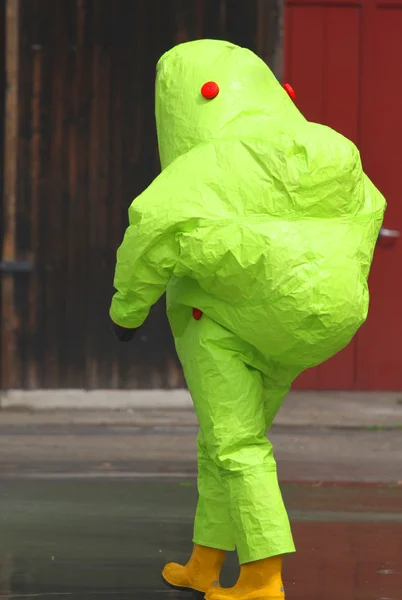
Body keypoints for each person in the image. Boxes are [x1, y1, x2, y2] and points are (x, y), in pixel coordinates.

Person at [110, 40, 385, 600]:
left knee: (237, 445)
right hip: (316, 321)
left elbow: (150, 229)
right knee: (224, 441)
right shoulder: (333, 148)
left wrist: (127, 312)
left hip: (219, 320)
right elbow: (370, 210)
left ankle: (262, 577)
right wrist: (330, 288)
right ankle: (204, 562)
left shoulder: (204, 163)